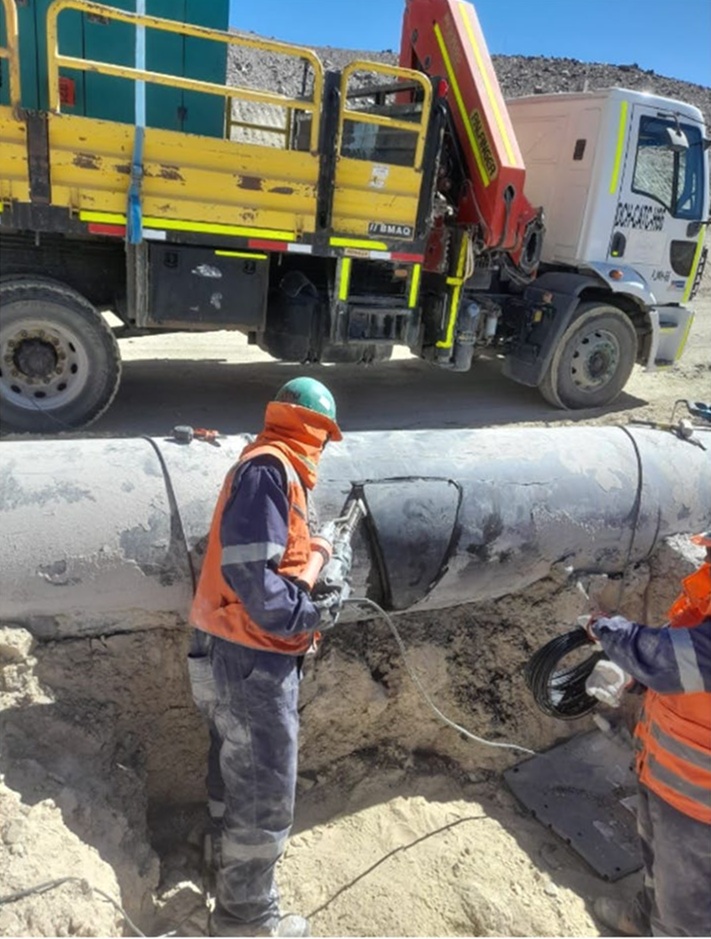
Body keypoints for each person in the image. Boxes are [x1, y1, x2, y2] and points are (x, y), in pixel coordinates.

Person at [187, 377, 349, 938]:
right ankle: (246, 921)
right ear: (319, 433)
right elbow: (255, 582)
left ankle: (219, 864)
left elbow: (262, 565)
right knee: (263, 793)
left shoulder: (263, 463)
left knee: (234, 768)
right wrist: (312, 614)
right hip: (253, 656)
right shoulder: (271, 469)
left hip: (229, 646)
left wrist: (314, 564)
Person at [584, 531, 711, 938]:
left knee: (685, 914)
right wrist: (638, 683)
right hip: (665, 776)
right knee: (657, 865)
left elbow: (673, 660)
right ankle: (641, 919)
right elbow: (691, 673)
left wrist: (604, 629)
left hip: (698, 806)